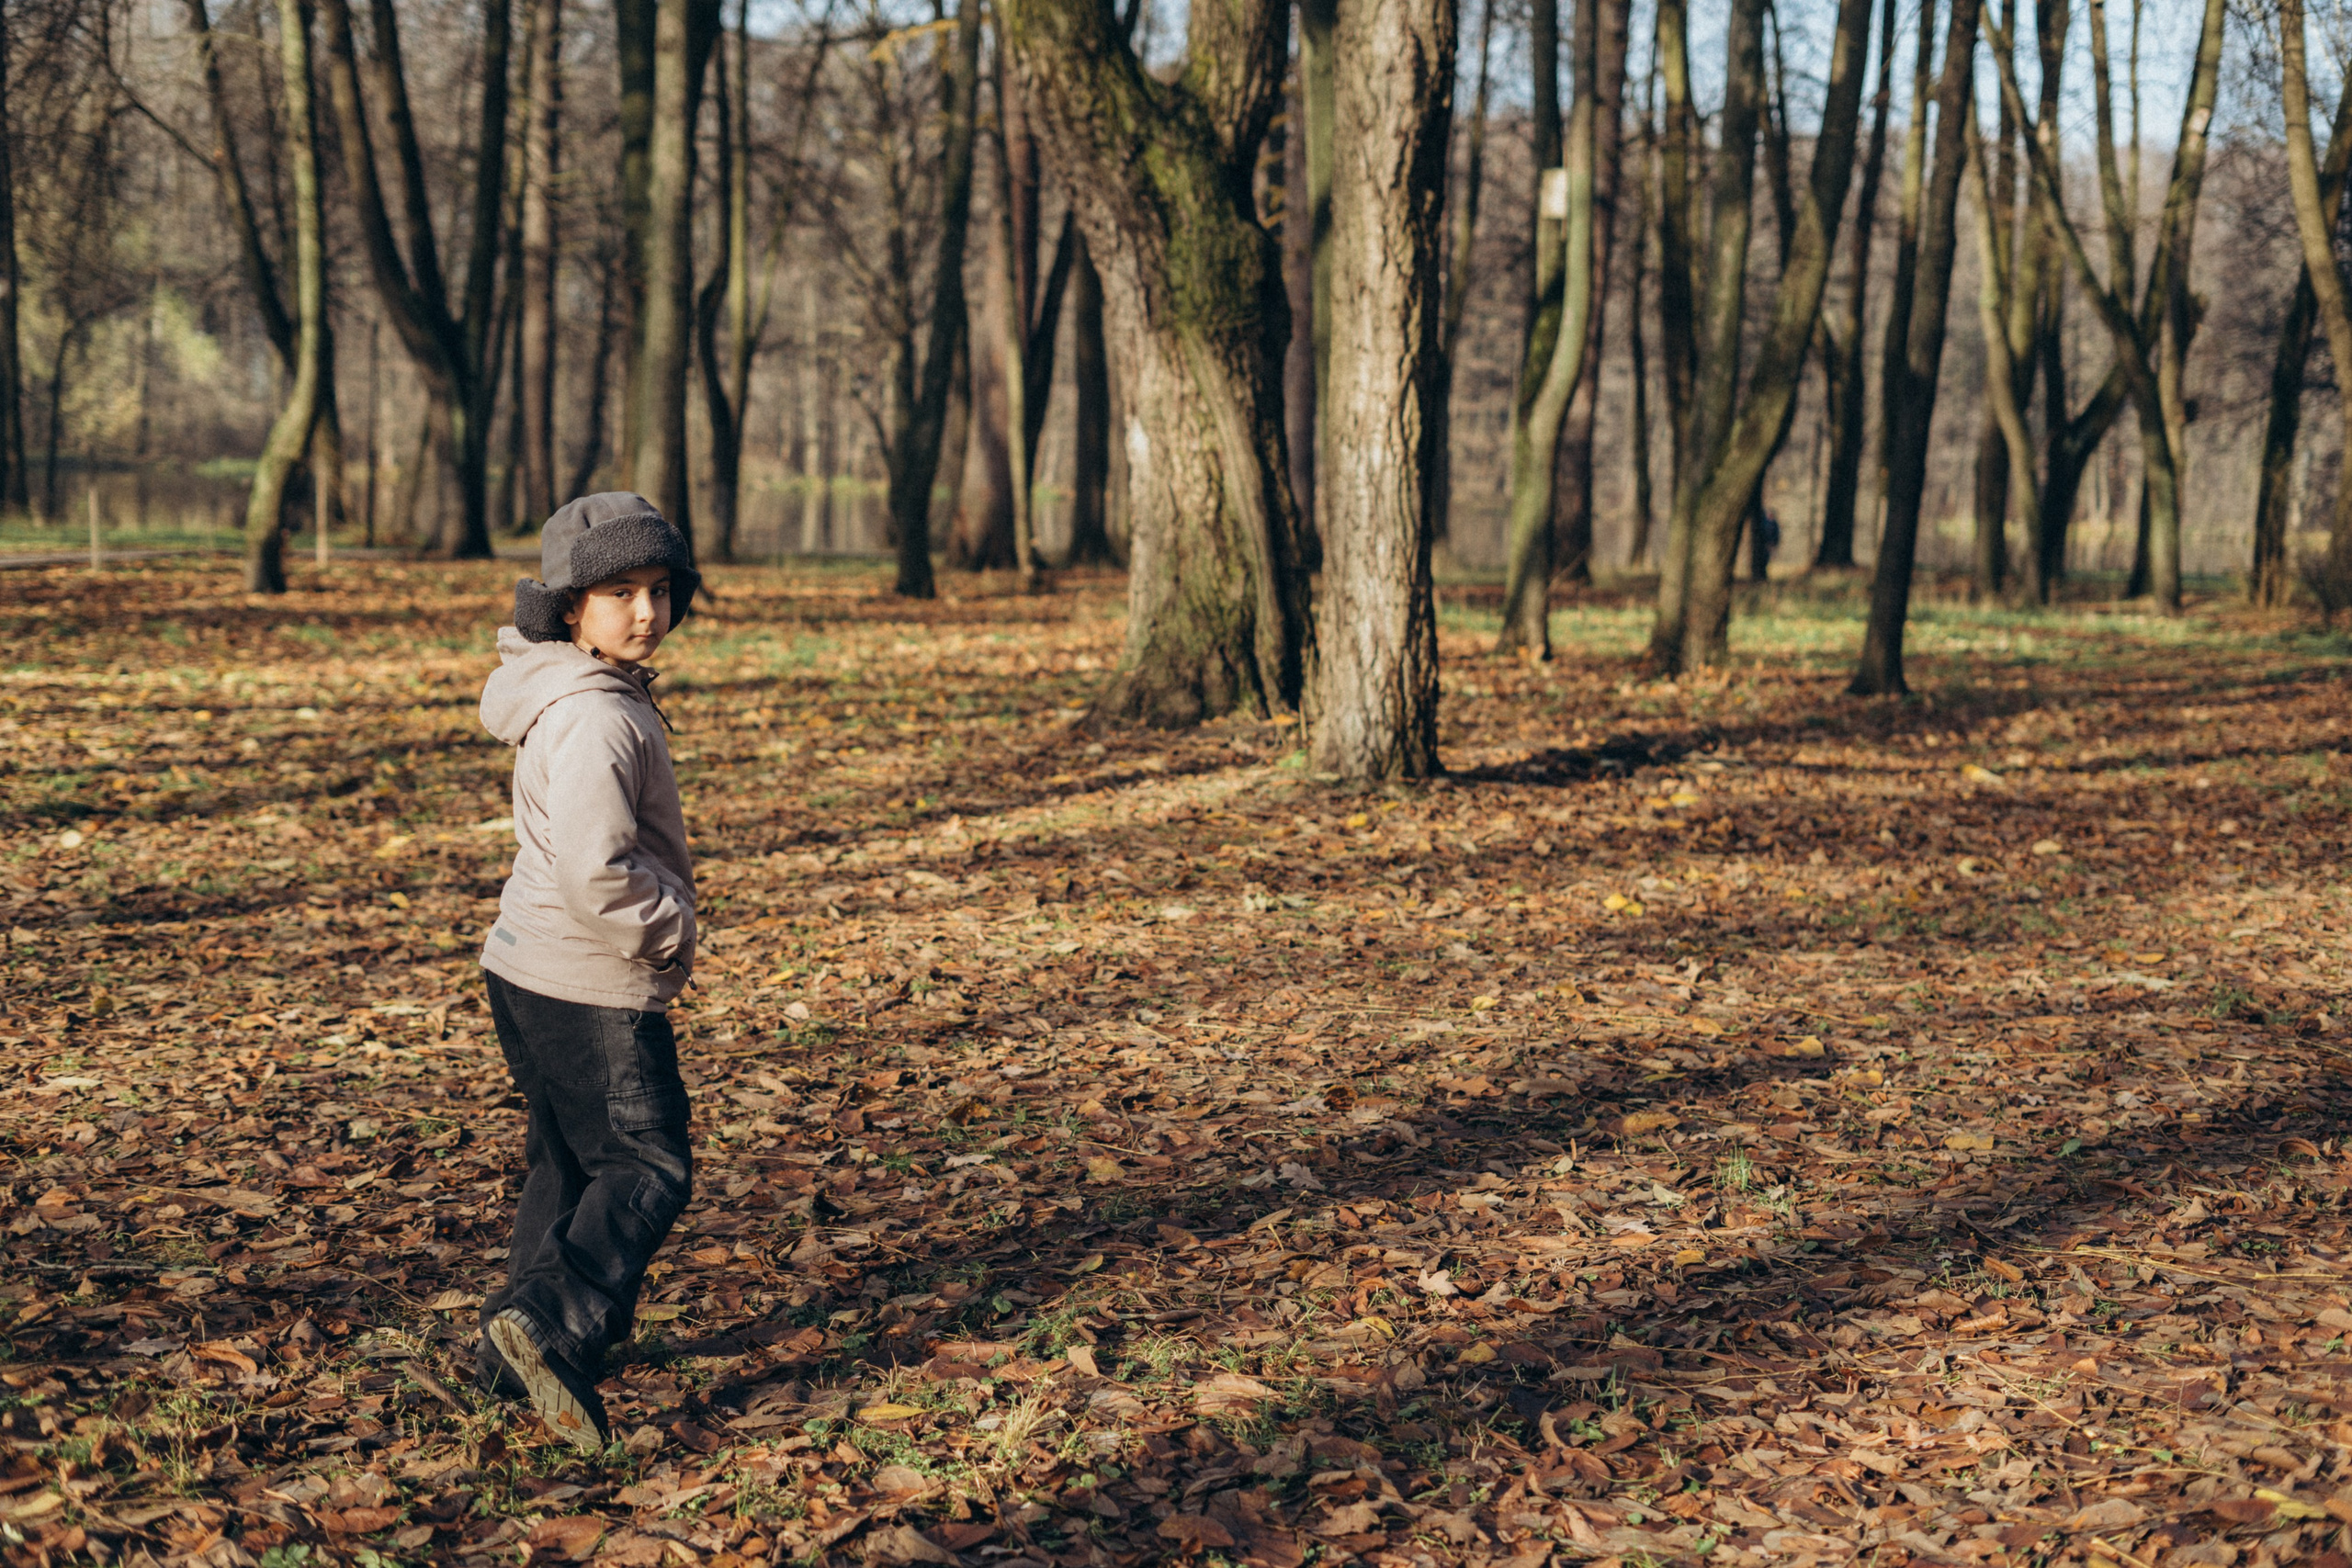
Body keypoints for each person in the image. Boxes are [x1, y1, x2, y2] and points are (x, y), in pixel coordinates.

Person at [470, 492, 701, 1452]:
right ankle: (555, 1326)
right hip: (588, 979)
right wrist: (667, 931)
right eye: (618, 592)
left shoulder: (569, 691)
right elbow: (595, 870)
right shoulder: (597, 719)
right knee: (648, 1162)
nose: (645, 612)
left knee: (567, 1159)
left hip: (527, 969)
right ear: (570, 606)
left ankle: (507, 1351)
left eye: (659, 590)